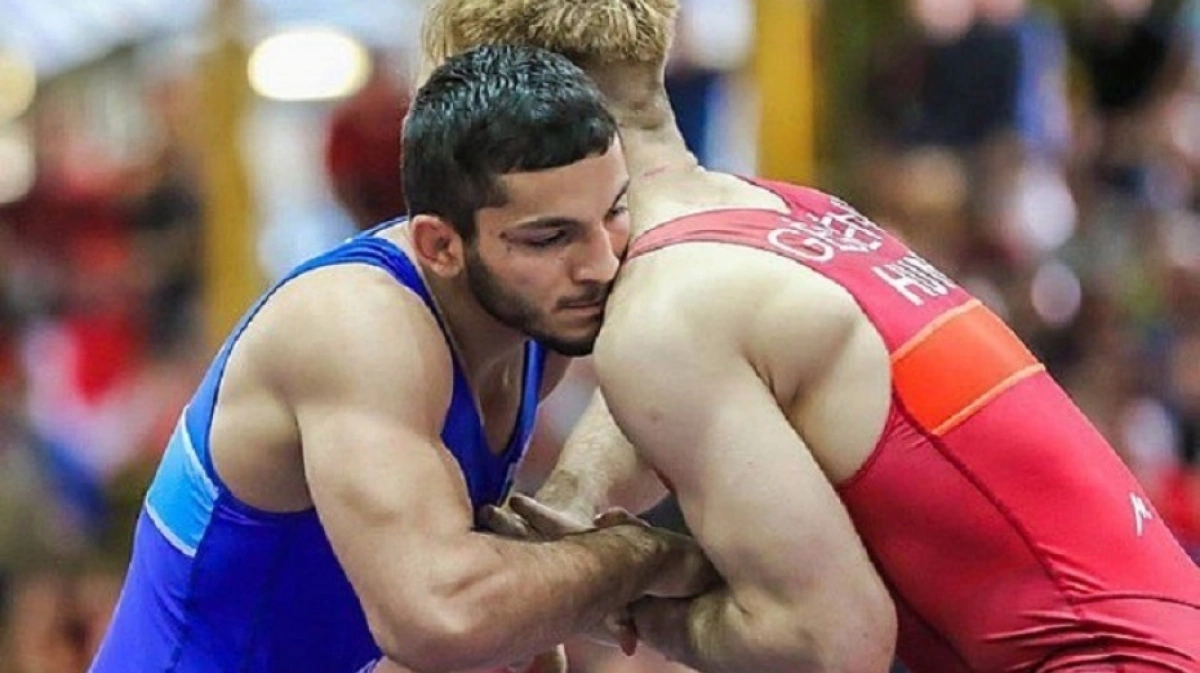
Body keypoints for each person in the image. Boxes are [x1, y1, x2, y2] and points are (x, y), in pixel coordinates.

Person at [423, 2, 1200, 671]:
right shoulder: (784, 211)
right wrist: (574, 496)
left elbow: (831, 641)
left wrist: (615, 588)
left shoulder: (664, 315)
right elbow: (674, 382)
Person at [88, 44, 714, 673]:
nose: (600, 264)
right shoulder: (353, 327)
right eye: (550, 237)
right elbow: (442, 617)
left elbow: (664, 382)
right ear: (439, 245)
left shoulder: (551, 294)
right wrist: (637, 558)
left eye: (613, 212)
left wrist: (569, 509)